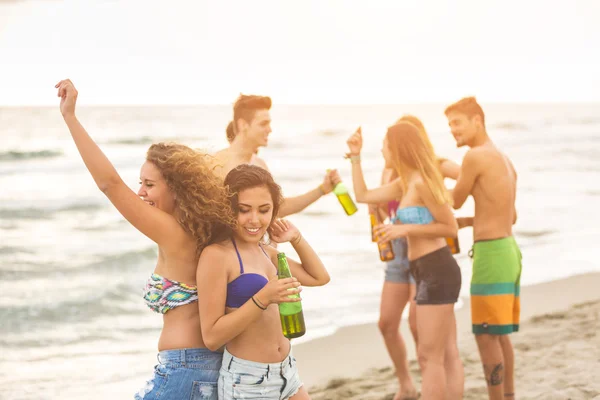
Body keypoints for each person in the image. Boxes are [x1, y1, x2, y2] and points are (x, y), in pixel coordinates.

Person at [55, 79, 235, 400]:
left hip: (185, 370)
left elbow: (109, 183)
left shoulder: (174, 232)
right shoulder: (205, 231)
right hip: (204, 368)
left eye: (149, 184)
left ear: (177, 188)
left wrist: (70, 117)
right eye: (140, 183)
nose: (140, 192)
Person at [347, 123, 464, 400]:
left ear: (397, 148)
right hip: (421, 269)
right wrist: (355, 156)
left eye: (385, 144)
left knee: (429, 357)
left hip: (438, 268)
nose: (382, 149)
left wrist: (404, 229)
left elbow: (450, 228)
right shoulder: (404, 183)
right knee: (437, 354)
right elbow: (363, 196)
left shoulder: (423, 182)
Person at [197, 164, 330, 399]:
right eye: (244, 210)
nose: (254, 220)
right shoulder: (217, 255)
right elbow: (212, 336)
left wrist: (296, 238)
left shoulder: (266, 251)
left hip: (287, 372)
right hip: (247, 381)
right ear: (229, 209)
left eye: (264, 210)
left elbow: (319, 277)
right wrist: (263, 298)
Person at [444, 96, 521, 400]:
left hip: (491, 255)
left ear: (477, 120)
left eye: (457, 122)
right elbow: (509, 214)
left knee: (485, 334)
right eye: (449, 124)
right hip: (509, 250)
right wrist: (466, 222)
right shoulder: (502, 158)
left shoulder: (474, 156)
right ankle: (508, 396)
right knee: (499, 335)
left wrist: (427, 175)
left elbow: (454, 199)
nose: (452, 130)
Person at [213, 94, 341, 217]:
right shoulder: (217, 164)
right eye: (263, 124)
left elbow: (279, 209)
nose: (270, 129)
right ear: (243, 125)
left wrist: (322, 190)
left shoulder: (259, 164)